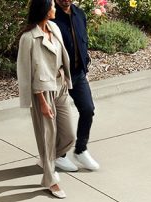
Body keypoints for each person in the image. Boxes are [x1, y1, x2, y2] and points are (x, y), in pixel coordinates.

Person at [17, 0, 75, 198]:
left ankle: (46, 159)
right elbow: (26, 74)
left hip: (60, 87)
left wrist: (66, 80)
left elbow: (62, 57)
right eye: (51, 5)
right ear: (43, 10)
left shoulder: (55, 27)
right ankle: (50, 180)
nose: (54, 9)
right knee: (48, 138)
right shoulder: (28, 38)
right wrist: (40, 102)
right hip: (42, 92)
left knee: (69, 136)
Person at [52, 0, 100, 172]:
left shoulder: (80, 14)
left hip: (78, 75)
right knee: (60, 118)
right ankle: (59, 155)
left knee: (88, 109)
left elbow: (83, 41)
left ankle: (80, 149)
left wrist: (85, 63)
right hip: (59, 77)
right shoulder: (51, 18)